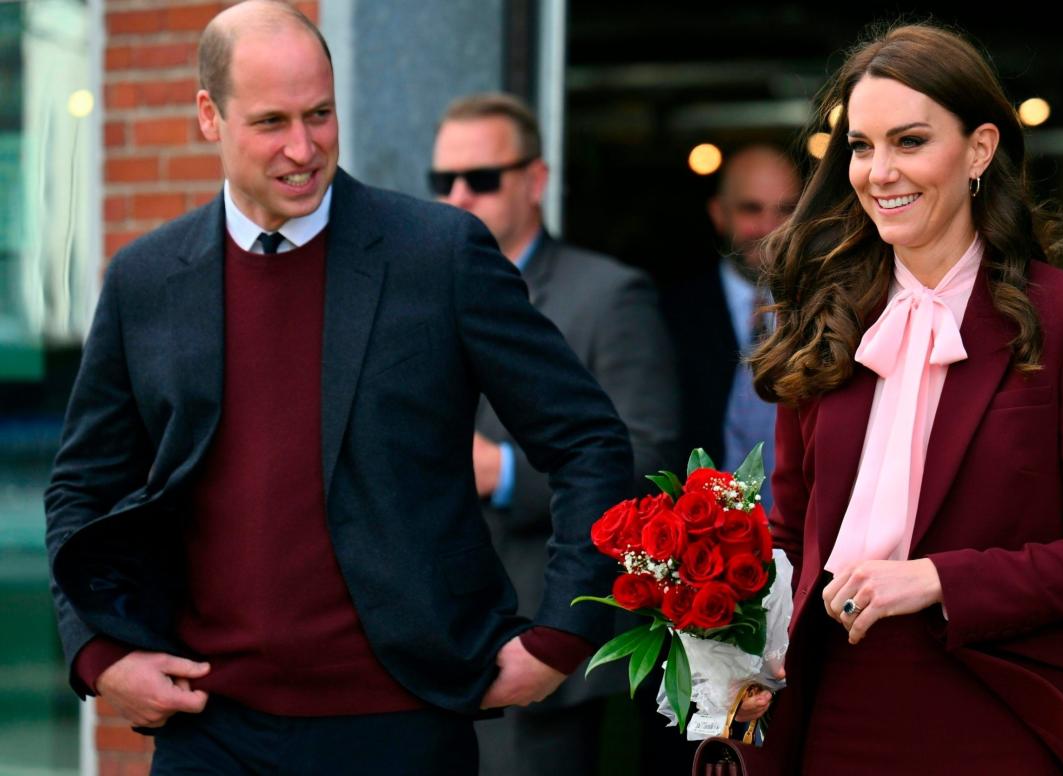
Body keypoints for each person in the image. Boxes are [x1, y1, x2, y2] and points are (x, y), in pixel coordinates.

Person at [43, 3, 631, 773]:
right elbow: (79, 491)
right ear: (207, 117)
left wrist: (561, 635)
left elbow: (588, 441)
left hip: (402, 724)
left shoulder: (439, 255)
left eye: (320, 114)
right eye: (271, 122)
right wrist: (98, 654)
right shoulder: (145, 280)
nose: (302, 147)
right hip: (210, 734)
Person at [735, 23, 1063, 774]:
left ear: (980, 150)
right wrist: (711, 603)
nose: (878, 171)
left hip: (1007, 710)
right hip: (836, 709)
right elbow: (792, 535)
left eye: (909, 141)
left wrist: (937, 578)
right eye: (861, 146)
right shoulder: (825, 318)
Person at [429, 92, 679, 776]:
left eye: (480, 179)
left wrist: (502, 471)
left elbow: (648, 461)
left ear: (534, 181)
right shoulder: (420, 294)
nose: (456, 196)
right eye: (441, 181)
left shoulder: (608, 295)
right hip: (427, 652)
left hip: (547, 646)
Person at [661, 145, 800, 500]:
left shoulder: (829, 311)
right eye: (751, 209)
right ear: (718, 213)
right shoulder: (667, 315)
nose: (769, 227)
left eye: (785, 210)